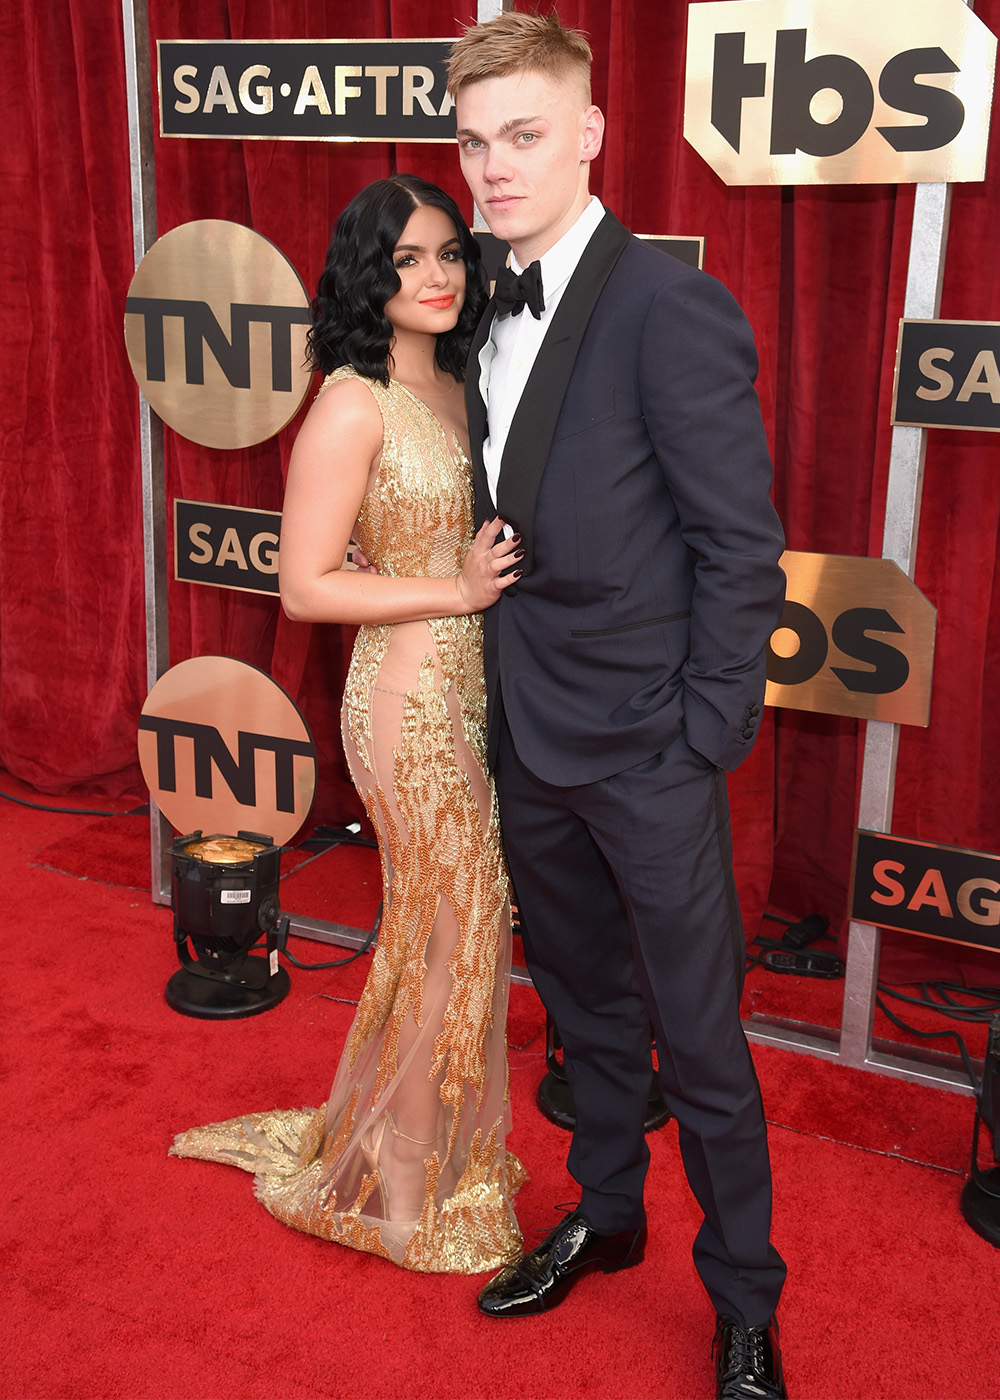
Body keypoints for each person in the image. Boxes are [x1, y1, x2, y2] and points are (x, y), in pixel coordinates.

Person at [445, 13, 789, 1398]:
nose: (493, 170)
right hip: (530, 735)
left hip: (651, 745)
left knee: (700, 1042)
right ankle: (606, 1212)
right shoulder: (475, 290)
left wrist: (703, 733)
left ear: (590, 133)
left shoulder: (666, 305)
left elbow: (740, 545)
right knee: (583, 1016)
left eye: (522, 136)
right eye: (474, 145)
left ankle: (749, 1301)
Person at [170, 174, 526, 1275]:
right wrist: (452, 592)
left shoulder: (467, 376)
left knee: (458, 928)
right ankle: (398, 1182)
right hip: (404, 699)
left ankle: (420, 1144)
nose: (434, 277)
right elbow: (307, 588)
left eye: (450, 255)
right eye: (407, 259)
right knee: (450, 927)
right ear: (368, 278)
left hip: (476, 691)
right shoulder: (349, 397)